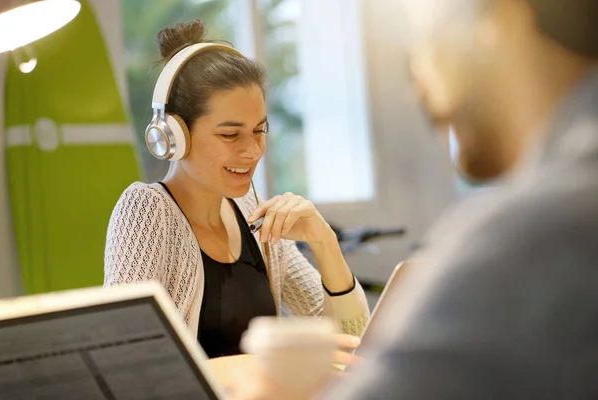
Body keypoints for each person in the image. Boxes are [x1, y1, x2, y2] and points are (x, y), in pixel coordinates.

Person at [231, 0, 598, 398]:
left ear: (501, 22)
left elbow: (351, 341)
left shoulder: (533, 233)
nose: (417, 88)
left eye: (425, 42)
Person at [103, 19, 369, 384]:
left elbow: (349, 348)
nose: (253, 150)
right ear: (174, 136)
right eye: (231, 134)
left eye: (260, 130)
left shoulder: (253, 214)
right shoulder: (146, 211)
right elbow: (123, 365)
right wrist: (247, 366)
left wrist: (323, 241)